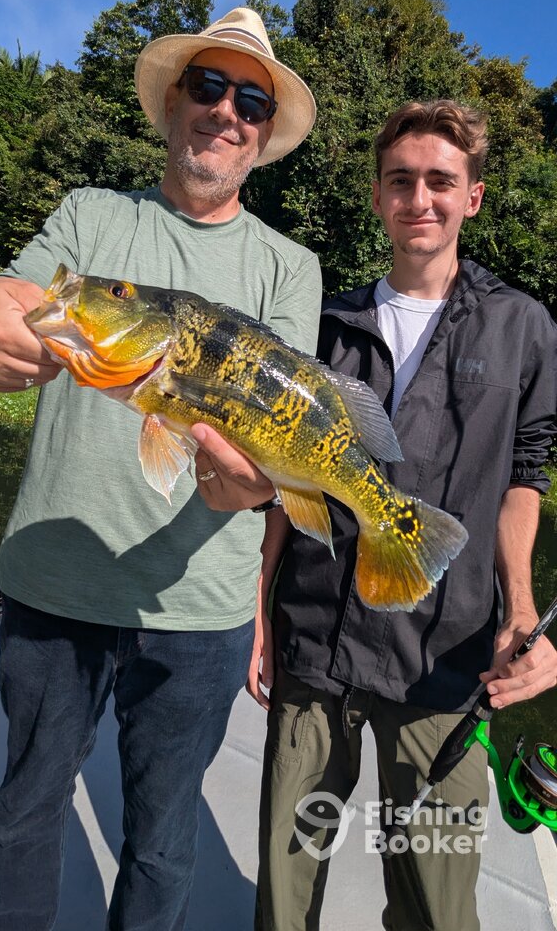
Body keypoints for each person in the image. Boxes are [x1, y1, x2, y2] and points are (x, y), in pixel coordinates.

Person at [0, 8, 323, 931]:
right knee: (24, 813)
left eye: (250, 101)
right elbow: (9, 295)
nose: (225, 112)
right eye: (207, 85)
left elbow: (278, 454)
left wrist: (258, 486)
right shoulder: (91, 215)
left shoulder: (290, 267)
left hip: (200, 617)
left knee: (161, 844)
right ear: (171, 103)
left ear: (263, 134)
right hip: (52, 588)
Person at [192, 99, 557, 931]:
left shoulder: (524, 328)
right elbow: (285, 478)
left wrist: (521, 610)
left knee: (437, 904)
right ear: (376, 196)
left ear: (473, 197)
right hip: (314, 640)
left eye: (441, 181)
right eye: (400, 180)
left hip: (446, 660)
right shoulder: (324, 320)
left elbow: (524, 477)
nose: (419, 198)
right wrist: (257, 608)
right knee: (285, 893)